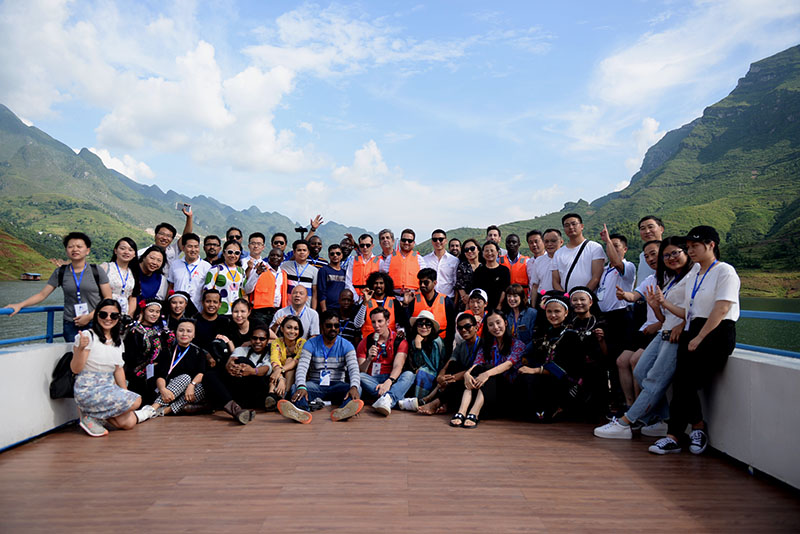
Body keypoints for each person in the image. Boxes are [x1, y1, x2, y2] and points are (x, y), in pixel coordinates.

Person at [648, 226, 740, 455]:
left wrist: (700, 337)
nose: (690, 251)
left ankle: (694, 429)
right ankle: (677, 435)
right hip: (693, 329)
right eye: (688, 247)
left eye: (695, 246)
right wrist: (664, 305)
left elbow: (721, 308)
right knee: (680, 382)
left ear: (711, 245)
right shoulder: (695, 274)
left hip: (716, 332)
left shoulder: (725, 271)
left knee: (687, 383)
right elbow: (689, 312)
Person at [594, 236, 693, 439]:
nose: (669, 258)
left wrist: (680, 323)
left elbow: (696, 310)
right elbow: (662, 314)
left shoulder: (693, 276)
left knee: (653, 377)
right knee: (640, 371)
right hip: (664, 331)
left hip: (675, 335)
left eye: (673, 253)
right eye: (666, 255)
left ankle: (626, 422)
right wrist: (653, 306)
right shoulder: (667, 279)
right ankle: (662, 419)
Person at [6, 232, 112, 342]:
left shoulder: (96, 270)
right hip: (71, 323)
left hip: (95, 321)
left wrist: (89, 317)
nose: (75, 249)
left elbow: (108, 298)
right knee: (73, 351)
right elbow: (42, 295)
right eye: (70, 247)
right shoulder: (60, 272)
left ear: (87, 250)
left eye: (79, 246)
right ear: (66, 250)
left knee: (95, 351)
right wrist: (20, 305)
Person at [71, 299, 142, 437]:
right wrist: (81, 349)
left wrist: (124, 394)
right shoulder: (88, 336)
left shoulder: (118, 341)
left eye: (113, 315)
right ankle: (90, 415)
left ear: (118, 318)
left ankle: (95, 415)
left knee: (129, 422)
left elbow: (118, 369)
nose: (108, 319)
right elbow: (75, 369)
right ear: (97, 315)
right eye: (103, 314)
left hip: (108, 387)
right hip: (88, 388)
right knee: (136, 400)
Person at [277, 311, 364, 424]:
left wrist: (354, 386)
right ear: (321, 326)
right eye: (329, 325)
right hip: (316, 385)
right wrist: (302, 386)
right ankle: (302, 411)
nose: (333, 328)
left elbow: (354, 369)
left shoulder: (347, 345)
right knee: (296, 388)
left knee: (357, 388)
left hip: (337, 385)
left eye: (336, 326)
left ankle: (344, 411)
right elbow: (302, 368)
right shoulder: (310, 344)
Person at [451, 310, 523, 428]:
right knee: (477, 370)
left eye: (498, 323)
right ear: (487, 328)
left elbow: (508, 364)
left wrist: (487, 374)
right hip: (486, 393)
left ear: (505, 323)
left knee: (488, 370)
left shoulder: (517, 344)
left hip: (506, 392)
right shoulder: (487, 345)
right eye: (491, 325)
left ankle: (474, 413)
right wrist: (467, 374)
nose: (495, 327)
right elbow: (477, 363)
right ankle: (461, 412)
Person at [134, 318, 208, 421]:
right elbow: (160, 375)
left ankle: (165, 411)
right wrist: (163, 390)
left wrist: (192, 385)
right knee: (185, 377)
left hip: (185, 393)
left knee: (201, 387)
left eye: (189, 331)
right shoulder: (167, 350)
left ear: (194, 335)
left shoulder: (198, 352)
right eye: (181, 330)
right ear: (176, 332)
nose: (184, 334)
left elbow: (201, 373)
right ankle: (152, 409)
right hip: (164, 390)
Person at [200, 324, 275, 425]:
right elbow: (232, 359)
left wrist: (252, 371)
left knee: (244, 360)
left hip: (256, 391)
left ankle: (211, 405)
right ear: (250, 339)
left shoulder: (270, 354)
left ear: (267, 341)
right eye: (254, 338)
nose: (257, 341)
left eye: (262, 339)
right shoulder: (241, 349)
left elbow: (266, 368)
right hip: (238, 389)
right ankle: (236, 410)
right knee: (210, 375)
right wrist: (230, 365)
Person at [596, 227, 636, 411]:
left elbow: (617, 262)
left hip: (621, 317)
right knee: (609, 359)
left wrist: (607, 241)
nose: (612, 248)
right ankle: (614, 400)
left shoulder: (627, 267)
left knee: (621, 360)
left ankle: (625, 402)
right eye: (610, 246)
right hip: (605, 318)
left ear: (625, 249)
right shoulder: (604, 270)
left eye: (616, 246)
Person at [418, 312, 482, 416]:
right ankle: (443, 403)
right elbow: (448, 364)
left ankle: (436, 403)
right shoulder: (461, 345)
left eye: (467, 326)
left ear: (476, 327)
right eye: (460, 328)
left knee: (461, 379)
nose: (463, 330)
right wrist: (440, 377)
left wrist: (451, 378)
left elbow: (475, 369)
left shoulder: (482, 344)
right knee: (452, 365)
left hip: (474, 380)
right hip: (459, 379)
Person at [357, 307, 414, 416]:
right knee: (359, 376)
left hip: (391, 379)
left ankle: (387, 398)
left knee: (409, 375)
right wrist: (369, 359)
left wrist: (389, 381)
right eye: (373, 322)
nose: (376, 325)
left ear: (387, 322)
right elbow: (361, 370)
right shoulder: (366, 342)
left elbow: (398, 366)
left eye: (380, 321)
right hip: (373, 380)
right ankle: (395, 400)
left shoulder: (399, 341)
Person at [123, 298, 173, 404]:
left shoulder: (158, 331)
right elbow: (131, 356)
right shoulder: (135, 331)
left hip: (155, 373)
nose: (154, 314)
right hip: (137, 375)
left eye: (157, 312)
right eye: (151, 311)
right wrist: (148, 363)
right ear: (143, 311)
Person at [403, 268, 456, 348]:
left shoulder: (446, 301)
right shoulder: (413, 299)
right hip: (418, 342)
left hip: (440, 343)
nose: (422, 285)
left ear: (434, 283)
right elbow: (407, 324)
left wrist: (448, 347)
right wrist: (405, 305)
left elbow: (451, 327)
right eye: (420, 282)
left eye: (426, 282)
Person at [552, 213, 606, 293]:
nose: (571, 227)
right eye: (567, 225)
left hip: (589, 297)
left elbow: (596, 277)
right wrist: (565, 297)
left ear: (581, 226)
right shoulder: (558, 253)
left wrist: (583, 295)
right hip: (566, 298)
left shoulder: (595, 247)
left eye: (574, 224)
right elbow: (555, 281)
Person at [405, 310, 446, 406]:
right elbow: (416, 363)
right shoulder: (414, 341)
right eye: (420, 324)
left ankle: (420, 401)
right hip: (418, 370)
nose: (424, 327)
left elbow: (434, 366)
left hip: (436, 371)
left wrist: (419, 349)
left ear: (432, 327)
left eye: (428, 325)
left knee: (423, 372)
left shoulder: (437, 342)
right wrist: (418, 346)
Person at [266, 315, 307, 409]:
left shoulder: (302, 343)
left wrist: (280, 371)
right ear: (282, 329)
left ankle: (282, 396)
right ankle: (272, 397)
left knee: (290, 361)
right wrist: (281, 378)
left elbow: (296, 361)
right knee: (274, 373)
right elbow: (275, 360)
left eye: (296, 328)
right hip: (279, 373)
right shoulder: (276, 342)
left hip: (297, 375)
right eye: (289, 327)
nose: (292, 331)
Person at [138, 205, 193, 271]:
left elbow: (186, 236)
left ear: (172, 239)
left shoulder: (173, 251)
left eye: (168, 236)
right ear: (155, 235)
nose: (164, 238)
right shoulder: (142, 253)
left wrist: (189, 217)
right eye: (162, 234)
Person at [167, 232, 211, 312]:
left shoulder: (207, 267)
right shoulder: (175, 264)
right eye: (190, 246)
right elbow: (171, 286)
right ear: (183, 248)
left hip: (198, 310)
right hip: (177, 309)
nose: (193, 250)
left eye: (196, 247)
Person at [246, 247, 288, 327]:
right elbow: (247, 289)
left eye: (278, 256)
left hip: (277, 311)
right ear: (268, 257)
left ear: (282, 259)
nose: (275, 257)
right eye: (272, 255)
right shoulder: (260, 269)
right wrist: (257, 273)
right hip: (260, 311)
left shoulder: (283, 274)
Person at [354, 271, 405, 338]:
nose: (378, 286)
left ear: (386, 285)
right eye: (376, 283)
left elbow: (400, 323)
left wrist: (401, 330)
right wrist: (365, 302)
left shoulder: (394, 302)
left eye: (381, 283)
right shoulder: (366, 301)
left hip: (389, 340)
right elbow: (357, 324)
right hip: (369, 340)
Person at [380, 228, 425, 300]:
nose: (406, 242)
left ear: (413, 243)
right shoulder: (390, 258)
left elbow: (424, 278)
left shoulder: (419, 259)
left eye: (409, 241)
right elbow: (383, 277)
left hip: (413, 297)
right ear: (400, 241)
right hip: (394, 297)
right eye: (404, 240)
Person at [204, 239, 246, 315]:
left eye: (237, 253)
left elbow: (244, 293)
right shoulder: (215, 269)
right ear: (223, 253)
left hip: (237, 313)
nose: (233, 255)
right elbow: (207, 291)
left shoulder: (241, 271)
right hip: (219, 312)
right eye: (230, 252)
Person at [100, 237, 139, 315]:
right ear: (115, 251)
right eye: (122, 248)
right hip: (105, 313)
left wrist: (129, 316)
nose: (126, 252)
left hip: (123, 314)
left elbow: (132, 297)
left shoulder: (133, 273)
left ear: (134, 254)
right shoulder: (105, 267)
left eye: (130, 250)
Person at [470, 241, 510, 311]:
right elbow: (475, 290)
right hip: (482, 309)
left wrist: (499, 305)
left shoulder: (504, 270)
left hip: (500, 308)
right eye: (486, 251)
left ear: (497, 252)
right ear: (483, 253)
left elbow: (505, 290)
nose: (489, 253)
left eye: (492, 250)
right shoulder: (478, 271)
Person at [281, 239, 319, 309]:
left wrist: (313, 310)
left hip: (306, 308)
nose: (302, 252)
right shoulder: (285, 266)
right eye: (299, 250)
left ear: (308, 252)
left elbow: (314, 293)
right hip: (288, 308)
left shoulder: (314, 271)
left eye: (304, 250)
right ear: (294, 252)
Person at [422, 229, 459, 299]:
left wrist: (455, 302)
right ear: (432, 241)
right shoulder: (425, 260)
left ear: (446, 241)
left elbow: (456, 283)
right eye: (435, 239)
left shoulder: (454, 261)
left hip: (448, 298)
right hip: (429, 298)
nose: (438, 242)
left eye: (441, 239)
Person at [345, 233, 381, 302]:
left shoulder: (379, 261)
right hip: (355, 298)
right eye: (362, 245)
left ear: (372, 246)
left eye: (368, 245)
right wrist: (356, 298)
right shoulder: (353, 260)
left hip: (373, 297)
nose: (365, 247)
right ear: (359, 246)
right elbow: (348, 281)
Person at [530, 229, 562, 302]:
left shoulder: (566, 260)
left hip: (561, 298)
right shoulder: (538, 261)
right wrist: (533, 306)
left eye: (553, 241)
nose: (549, 244)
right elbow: (535, 286)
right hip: (542, 299)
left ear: (561, 242)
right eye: (546, 241)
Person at [317, 244, 347, 312]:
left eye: (338, 253)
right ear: (329, 255)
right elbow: (321, 291)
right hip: (328, 308)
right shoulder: (323, 270)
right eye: (332, 254)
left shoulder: (345, 272)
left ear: (342, 255)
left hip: (342, 309)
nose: (335, 255)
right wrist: (324, 310)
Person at [455, 238, 482, 311]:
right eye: (466, 250)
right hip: (465, 302)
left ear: (478, 249)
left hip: (481, 302)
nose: (469, 251)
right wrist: (466, 298)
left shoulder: (483, 266)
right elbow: (460, 285)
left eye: (472, 248)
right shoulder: (462, 266)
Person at [637, 216, 665, 282]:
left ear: (661, 229)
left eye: (650, 227)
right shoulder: (642, 255)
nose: (647, 231)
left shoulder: (668, 253)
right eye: (643, 228)